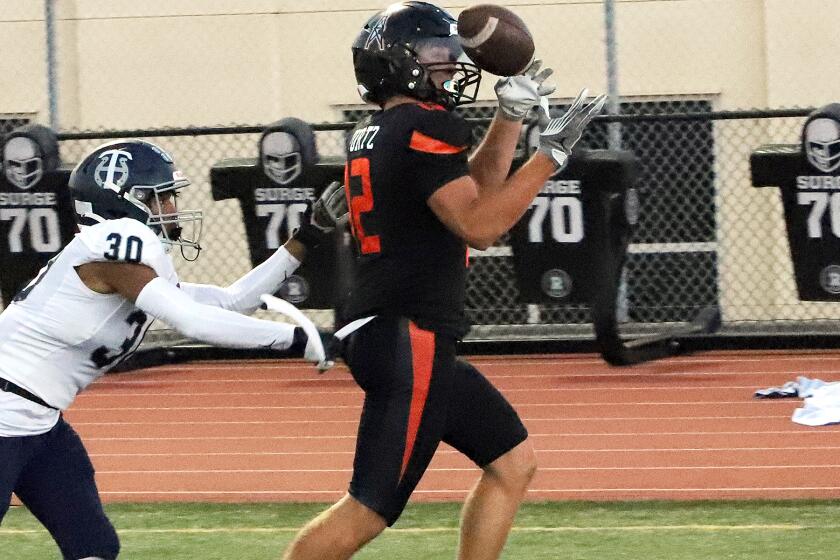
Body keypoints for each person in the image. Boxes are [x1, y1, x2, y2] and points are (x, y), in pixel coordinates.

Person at [281, 2, 605, 559]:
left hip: (395, 328)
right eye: (436, 52)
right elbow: (479, 226)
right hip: (409, 334)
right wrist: (549, 156)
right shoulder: (425, 125)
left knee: (511, 463)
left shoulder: (382, 129)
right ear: (397, 60)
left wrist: (509, 119)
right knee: (369, 509)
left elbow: (467, 194)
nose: (452, 63)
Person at [0, 138, 347, 560]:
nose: (172, 208)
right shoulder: (116, 240)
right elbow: (195, 322)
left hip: (37, 419)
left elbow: (228, 302)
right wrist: (298, 339)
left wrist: (306, 237)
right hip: (6, 412)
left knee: (93, 546)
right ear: (124, 201)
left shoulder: (125, 257)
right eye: (162, 197)